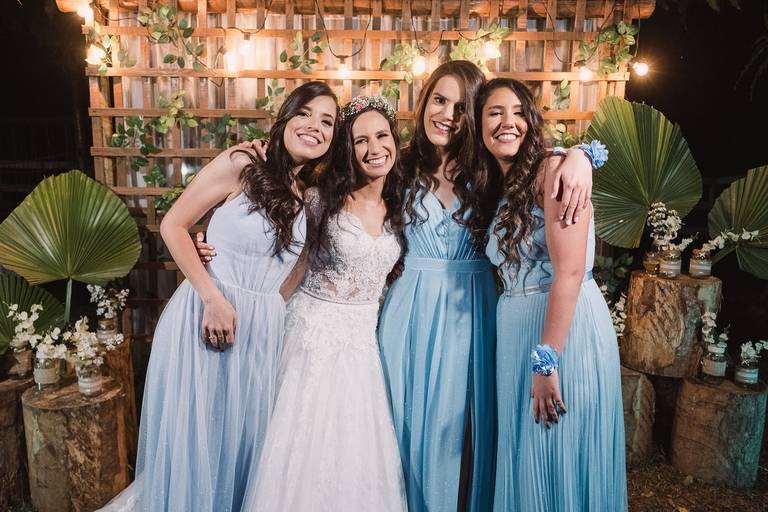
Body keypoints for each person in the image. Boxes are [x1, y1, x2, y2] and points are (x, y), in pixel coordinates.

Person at [101, 81, 338, 512]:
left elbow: (293, 266)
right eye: (305, 113)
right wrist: (212, 297)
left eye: (327, 122)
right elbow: (173, 225)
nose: (314, 126)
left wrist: (271, 308)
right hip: (209, 315)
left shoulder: (307, 193)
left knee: (242, 445)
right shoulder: (241, 163)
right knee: (200, 443)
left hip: (261, 332)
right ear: (286, 117)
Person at [376, 61, 594, 512]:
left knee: (468, 433)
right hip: (410, 312)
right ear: (424, 102)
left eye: (461, 108)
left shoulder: (490, 174)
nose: (447, 115)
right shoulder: (397, 165)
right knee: (403, 425)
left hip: (473, 313)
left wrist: (580, 156)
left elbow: (540, 166)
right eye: (439, 100)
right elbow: (336, 185)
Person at [242, 96, 407, 511]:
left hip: (363, 348)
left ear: (395, 141)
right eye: (361, 140)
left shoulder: (401, 205)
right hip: (311, 337)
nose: (374, 149)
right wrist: (215, 254)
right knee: (299, 450)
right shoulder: (319, 200)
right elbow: (282, 257)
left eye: (382, 136)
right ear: (347, 149)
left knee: (354, 455)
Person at [480, 78, 627, 511]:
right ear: (478, 124)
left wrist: (547, 362)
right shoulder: (504, 183)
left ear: (532, 120)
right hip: (517, 330)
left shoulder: (553, 171)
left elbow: (570, 272)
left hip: (559, 332)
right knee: (526, 456)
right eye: (494, 113)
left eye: (517, 112)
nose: (507, 122)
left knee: (554, 452)